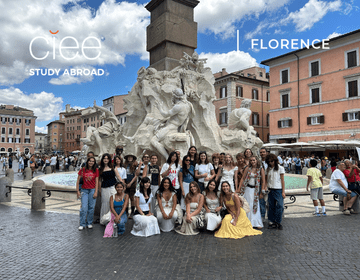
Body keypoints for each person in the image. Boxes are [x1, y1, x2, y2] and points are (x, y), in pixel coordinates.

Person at [152, 88, 195, 159]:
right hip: (175, 126)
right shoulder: (188, 104)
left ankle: (167, 157)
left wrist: (160, 108)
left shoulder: (178, 107)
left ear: (175, 96)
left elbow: (165, 114)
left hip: (170, 127)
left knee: (153, 140)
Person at [238, 156, 265, 229]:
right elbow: (243, 178)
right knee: (247, 204)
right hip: (247, 189)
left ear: (257, 160)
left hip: (255, 190)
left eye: (254, 160)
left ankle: (256, 222)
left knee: (254, 205)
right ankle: (247, 221)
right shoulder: (247, 168)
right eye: (251, 160)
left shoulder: (260, 169)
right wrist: (239, 188)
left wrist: (262, 191)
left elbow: (263, 181)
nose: (252, 162)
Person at [99, 153, 123, 225]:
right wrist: (99, 191)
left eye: (107, 158)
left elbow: (118, 176)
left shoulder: (113, 167)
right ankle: (105, 219)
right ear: (102, 160)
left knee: (113, 202)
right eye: (104, 158)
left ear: (109, 160)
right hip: (104, 188)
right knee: (105, 203)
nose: (105, 160)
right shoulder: (100, 169)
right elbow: (100, 180)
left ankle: (114, 218)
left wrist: (123, 184)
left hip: (113, 187)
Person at [76, 157, 99, 230]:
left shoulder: (96, 170)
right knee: (84, 208)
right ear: (87, 161)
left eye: (93, 161)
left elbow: (97, 182)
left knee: (91, 208)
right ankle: (82, 223)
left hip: (92, 190)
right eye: (90, 161)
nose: (91, 162)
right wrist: (77, 191)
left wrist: (96, 192)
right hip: (84, 190)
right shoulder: (82, 169)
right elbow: (78, 180)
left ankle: (89, 222)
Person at [265, 153, 285, 230]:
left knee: (280, 206)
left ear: (275, 160)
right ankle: (272, 221)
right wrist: (265, 188)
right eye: (269, 161)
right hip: (270, 189)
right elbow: (266, 180)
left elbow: (282, 180)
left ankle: (278, 221)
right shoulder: (268, 169)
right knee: (271, 206)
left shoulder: (280, 168)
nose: (270, 163)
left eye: (272, 161)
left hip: (278, 190)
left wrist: (283, 192)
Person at [124, 154, 138, 218]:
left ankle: (132, 212)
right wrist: (124, 183)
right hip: (125, 182)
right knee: (126, 198)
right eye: (128, 157)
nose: (130, 158)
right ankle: (126, 212)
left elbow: (136, 175)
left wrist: (131, 183)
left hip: (132, 183)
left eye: (131, 157)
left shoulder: (135, 165)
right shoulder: (124, 165)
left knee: (132, 198)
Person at [259, 148, 268, 220]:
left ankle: (271, 217)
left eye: (263, 152)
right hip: (262, 184)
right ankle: (263, 216)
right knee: (262, 201)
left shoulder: (270, 161)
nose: (262, 153)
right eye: (261, 152)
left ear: (266, 152)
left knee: (269, 202)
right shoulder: (259, 163)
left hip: (270, 184)